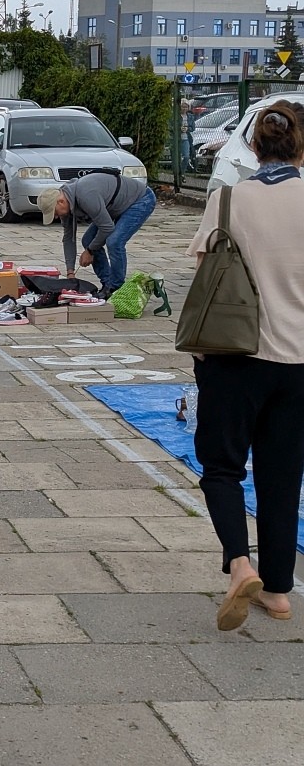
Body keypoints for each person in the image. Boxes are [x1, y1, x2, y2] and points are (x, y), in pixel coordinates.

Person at [187, 100, 304, 630]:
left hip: (236, 355)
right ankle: (278, 592)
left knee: (223, 467)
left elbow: (205, 266)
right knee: (283, 479)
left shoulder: (228, 200)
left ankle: (238, 563)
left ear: (253, 145)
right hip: (299, 363)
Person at [36, 171, 156, 296]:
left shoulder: (86, 196)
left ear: (60, 202)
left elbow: (107, 228)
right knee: (88, 240)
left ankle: (116, 289)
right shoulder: (66, 201)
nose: (56, 217)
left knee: (114, 241)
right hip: (115, 205)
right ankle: (107, 284)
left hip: (140, 199)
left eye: (54, 212)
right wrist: (70, 272)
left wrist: (90, 251)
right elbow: (68, 238)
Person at [179, 98, 196, 171]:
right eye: (183, 106)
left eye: (186, 107)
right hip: (177, 139)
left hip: (186, 139)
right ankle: (177, 173)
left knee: (186, 156)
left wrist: (187, 129)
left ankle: (182, 173)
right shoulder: (176, 116)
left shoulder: (190, 116)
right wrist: (179, 128)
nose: (184, 108)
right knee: (177, 158)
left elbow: (193, 127)